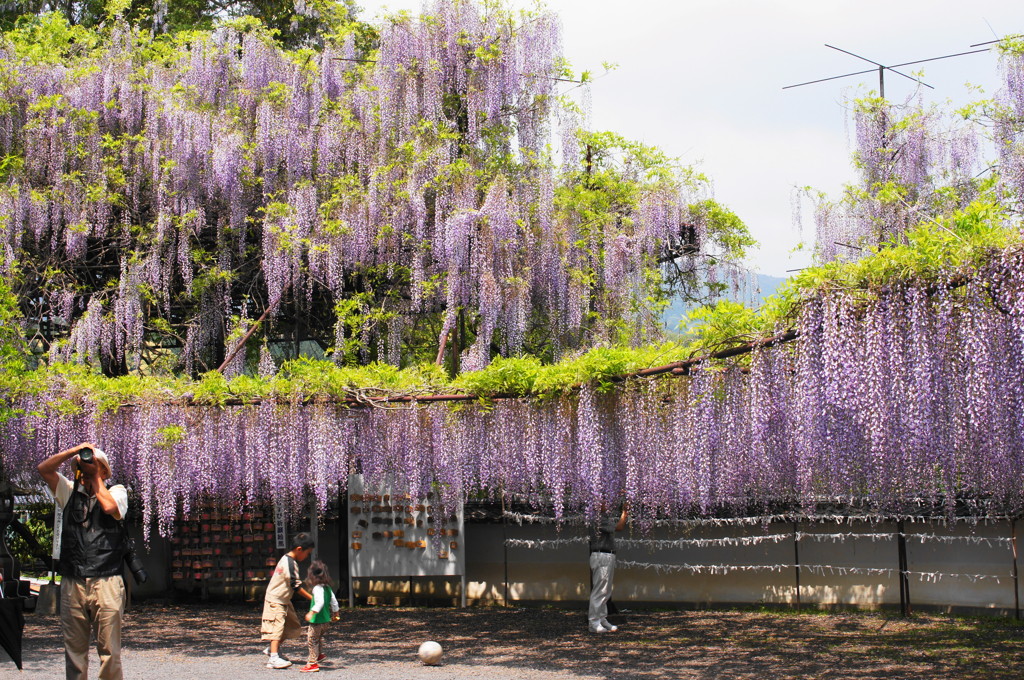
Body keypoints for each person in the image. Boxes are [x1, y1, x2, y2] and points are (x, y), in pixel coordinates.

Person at [37, 442, 129, 680]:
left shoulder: (118, 491)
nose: (86, 470)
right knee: (74, 652)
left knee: (109, 652)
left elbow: (108, 507)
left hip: (106, 580)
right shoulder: (68, 492)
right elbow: (44, 469)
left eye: (94, 466)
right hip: (73, 581)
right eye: (82, 467)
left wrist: (95, 476)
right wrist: (73, 451)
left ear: (105, 471)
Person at [261, 532, 315, 669]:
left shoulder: (288, 560)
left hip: (285, 600)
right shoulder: (289, 563)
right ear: (299, 549)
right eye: (307, 553)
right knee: (277, 627)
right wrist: (313, 599)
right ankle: (273, 658)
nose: (307, 556)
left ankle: (272, 649)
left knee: (292, 627)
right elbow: (295, 586)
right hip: (276, 600)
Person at [588, 503, 628, 634]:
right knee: (599, 590)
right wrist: (625, 512)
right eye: (604, 500)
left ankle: (602, 619)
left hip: (607, 555)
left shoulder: (604, 517)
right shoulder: (598, 518)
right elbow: (620, 527)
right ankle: (593, 622)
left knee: (605, 590)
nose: (608, 502)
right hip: (601, 555)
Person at [298, 560, 340, 673]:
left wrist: (312, 612)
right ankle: (319, 655)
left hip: (317, 621)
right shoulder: (327, 588)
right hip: (326, 620)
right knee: (318, 638)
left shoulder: (317, 589)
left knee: (312, 640)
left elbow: (319, 602)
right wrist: (336, 613)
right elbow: (334, 601)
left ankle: (312, 663)